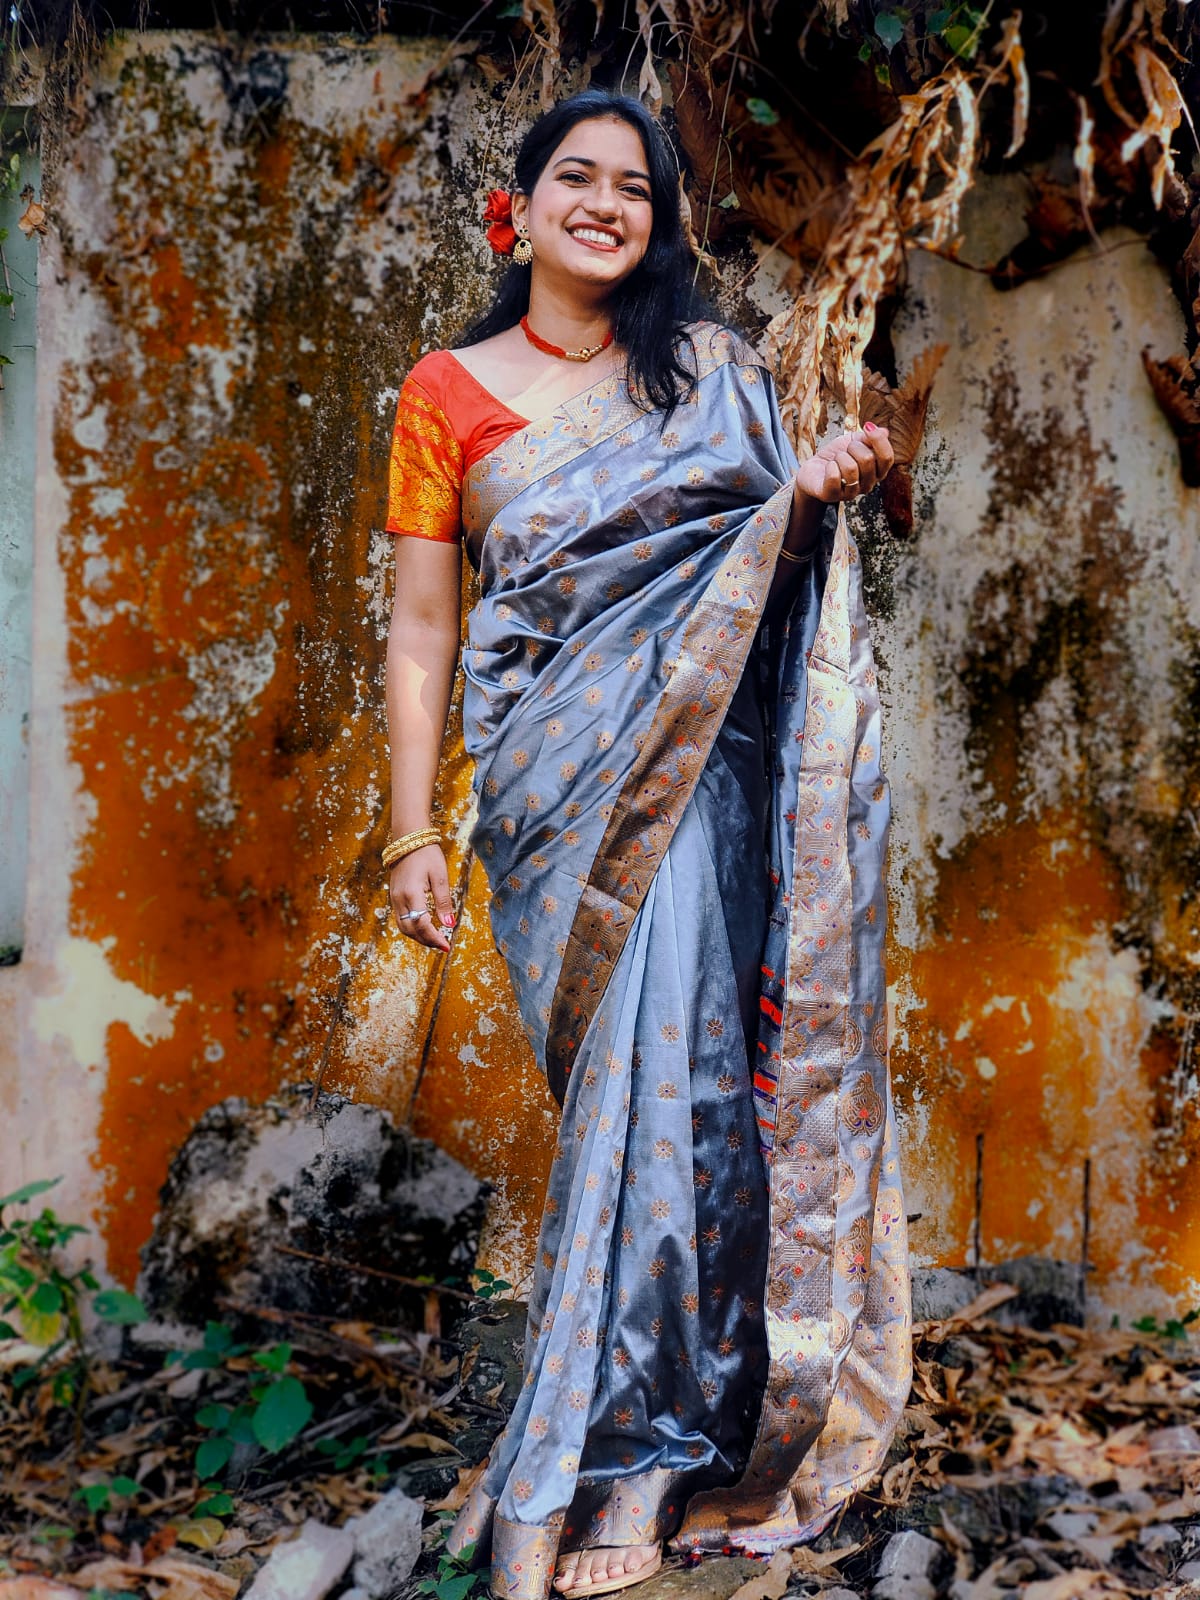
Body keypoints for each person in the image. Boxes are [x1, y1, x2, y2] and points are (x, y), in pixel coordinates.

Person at [382, 89, 910, 1600]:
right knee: (628, 1103)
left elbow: (757, 587)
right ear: (525, 204)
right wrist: (414, 829)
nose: (604, 204)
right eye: (577, 177)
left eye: (635, 186)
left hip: (699, 797)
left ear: (662, 221)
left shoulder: (716, 383)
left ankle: (611, 1467)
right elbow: (426, 624)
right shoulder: (446, 392)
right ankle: (624, 1443)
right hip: (554, 802)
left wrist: (802, 500)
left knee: (672, 1104)